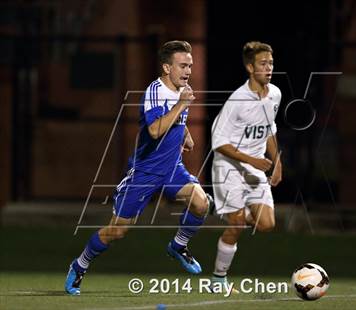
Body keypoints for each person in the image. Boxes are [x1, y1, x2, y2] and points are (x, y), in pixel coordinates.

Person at [65, 40, 210, 295]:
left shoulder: (182, 90)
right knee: (117, 230)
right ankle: (80, 265)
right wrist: (181, 106)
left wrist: (185, 133)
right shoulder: (154, 92)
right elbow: (154, 131)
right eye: (183, 66)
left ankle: (178, 246)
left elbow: (176, 118)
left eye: (190, 65)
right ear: (167, 68)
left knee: (201, 202)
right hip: (144, 173)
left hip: (171, 169)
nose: (188, 71)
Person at [210, 41, 282, 292]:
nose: (269, 68)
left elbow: (270, 129)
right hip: (228, 167)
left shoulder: (275, 94)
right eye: (263, 63)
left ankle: (229, 213)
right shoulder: (238, 100)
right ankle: (218, 280)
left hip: (254, 168)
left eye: (271, 63)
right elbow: (218, 143)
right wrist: (253, 161)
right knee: (238, 224)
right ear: (250, 67)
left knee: (267, 224)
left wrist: (278, 163)